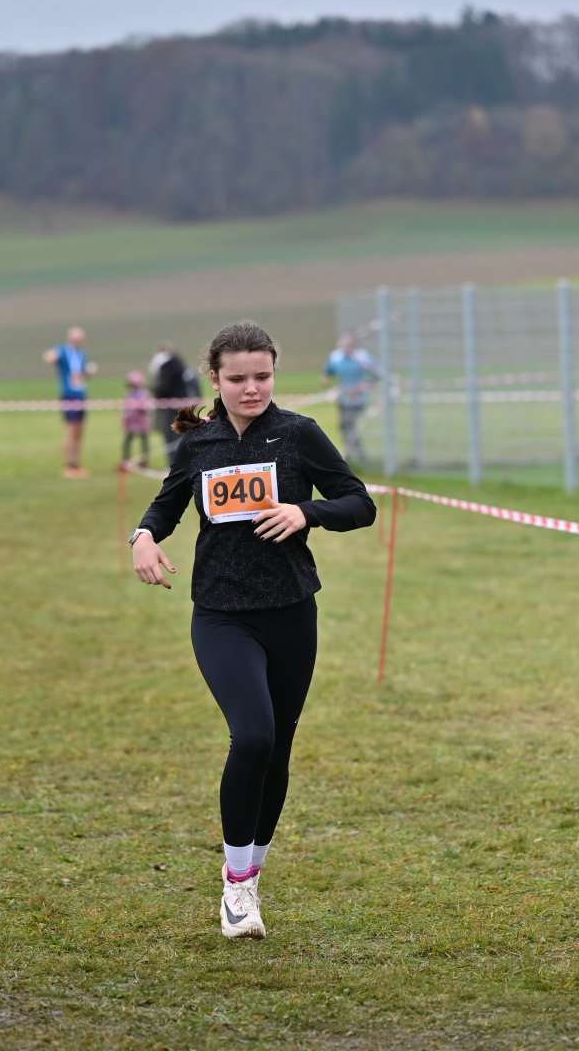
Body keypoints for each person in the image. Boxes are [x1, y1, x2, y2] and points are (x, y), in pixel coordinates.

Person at [130, 320, 376, 940]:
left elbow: (360, 503)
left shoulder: (299, 434)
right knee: (254, 735)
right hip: (221, 613)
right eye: (238, 378)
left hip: (291, 610)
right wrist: (143, 536)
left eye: (262, 376)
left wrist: (306, 511)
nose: (252, 389)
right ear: (214, 379)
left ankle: (250, 872)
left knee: (278, 748)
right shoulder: (199, 443)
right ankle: (236, 888)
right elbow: (166, 504)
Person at [43, 326, 97, 478]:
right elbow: (49, 356)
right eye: (75, 339)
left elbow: (79, 374)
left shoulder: (81, 354)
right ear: (70, 339)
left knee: (80, 430)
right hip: (69, 394)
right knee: (71, 430)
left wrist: (87, 372)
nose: (78, 342)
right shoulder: (63, 351)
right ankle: (68, 465)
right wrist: (51, 357)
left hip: (80, 393)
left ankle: (76, 464)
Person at [322, 332, 382, 462]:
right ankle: (353, 456)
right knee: (345, 427)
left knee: (352, 426)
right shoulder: (335, 356)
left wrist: (362, 386)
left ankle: (357, 456)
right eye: (345, 343)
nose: (347, 346)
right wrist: (328, 384)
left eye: (350, 343)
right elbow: (327, 374)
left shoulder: (363, 357)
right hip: (344, 399)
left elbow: (378, 375)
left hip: (358, 400)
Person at [151, 347, 199, 465]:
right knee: (180, 434)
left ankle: (173, 462)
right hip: (183, 407)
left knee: (171, 436)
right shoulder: (179, 365)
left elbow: (163, 387)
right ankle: (181, 461)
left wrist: (156, 392)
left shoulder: (165, 367)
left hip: (168, 409)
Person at [121, 370, 152, 468]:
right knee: (128, 439)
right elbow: (125, 409)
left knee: (144, 439)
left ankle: (144, 460)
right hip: (131, 420)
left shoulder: (144, 393)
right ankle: (126, 459)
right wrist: (124, 419)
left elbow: (148, 408)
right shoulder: (128, 394)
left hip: (142, 420)